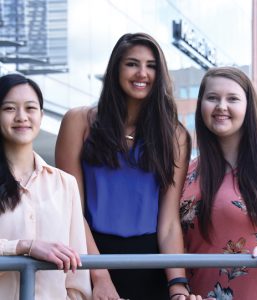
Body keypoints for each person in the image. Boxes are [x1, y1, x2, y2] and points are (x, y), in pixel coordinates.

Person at [55, 33, 202, 300]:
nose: (142, 73)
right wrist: (99, 275)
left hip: (150, 266)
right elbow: (71, 210)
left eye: (151, 66)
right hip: (90, 258)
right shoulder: (78, 122)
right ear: (116, 69)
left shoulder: (175, 136)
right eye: (132, 63)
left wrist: (178, 285)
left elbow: (168, 223)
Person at [180, 66, 257, 299]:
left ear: (248, 107)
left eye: (232, 99)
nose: (221, 106)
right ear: (201, 106)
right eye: (212, 98)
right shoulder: (188, 172)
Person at [0, 73, 92, 299]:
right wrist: (23, 246)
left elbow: (77, 275)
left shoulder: (65, 184)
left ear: (40, 115)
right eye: (9, 108)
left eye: (30, 108)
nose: (21, 117)